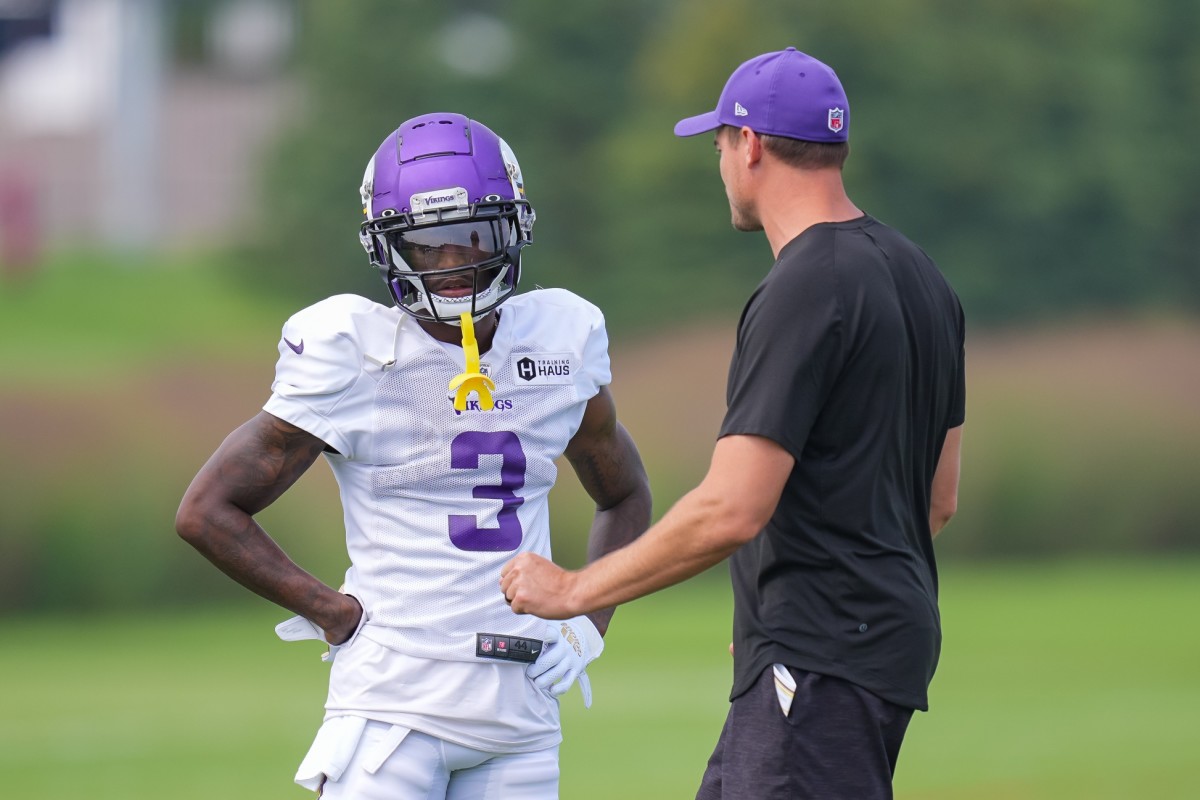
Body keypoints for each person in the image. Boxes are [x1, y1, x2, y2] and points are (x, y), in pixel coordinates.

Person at [500, 47, 966, 799]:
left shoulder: (803, 286)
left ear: (748, 145)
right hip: (872, 646)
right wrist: (779, 612)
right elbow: (936, 500)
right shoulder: (923, 277)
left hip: (819, 659)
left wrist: (574, 590)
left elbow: (730, 509)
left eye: (717, 144)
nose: (719, 163)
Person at [176, 112, 651, 799]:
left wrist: (588, 620)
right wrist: (335, 614)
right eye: (425, 245)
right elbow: (207, 511)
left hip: (520, 718)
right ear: (387, 248)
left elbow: (625, 493)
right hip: (392, 710)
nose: (453, 264)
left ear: (514, 228)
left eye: (474, 236)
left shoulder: (558, 341)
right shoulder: (356, 352)